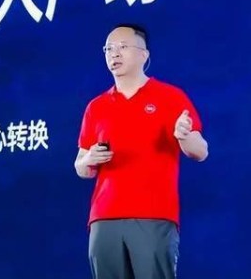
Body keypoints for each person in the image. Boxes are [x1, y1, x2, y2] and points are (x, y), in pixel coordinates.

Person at [74, 23, 209, 279]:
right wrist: (90, 158)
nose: (114, 54)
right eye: (109, 49)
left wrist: (183, 136)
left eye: (123, 47)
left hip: (153, 214)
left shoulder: (170, 97)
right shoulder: (96, 107)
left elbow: (201, 151)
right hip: (104, 218)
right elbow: (81, 167)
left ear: (144, 55)